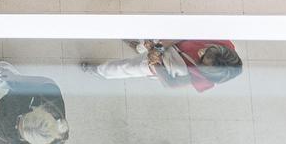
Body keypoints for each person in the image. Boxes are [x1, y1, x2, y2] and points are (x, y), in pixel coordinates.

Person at [82, 39, 243, 92]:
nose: (200, 52)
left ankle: (100, 71)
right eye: (206, 50)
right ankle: (138, 45)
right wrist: (157, 47)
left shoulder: (205, 80)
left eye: (202, 60)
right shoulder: (223, 43)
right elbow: (184, 33)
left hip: (157, 66)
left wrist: (156, 63)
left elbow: (171, 83)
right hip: (165, 45)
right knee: (143, 40)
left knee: (126, 68)